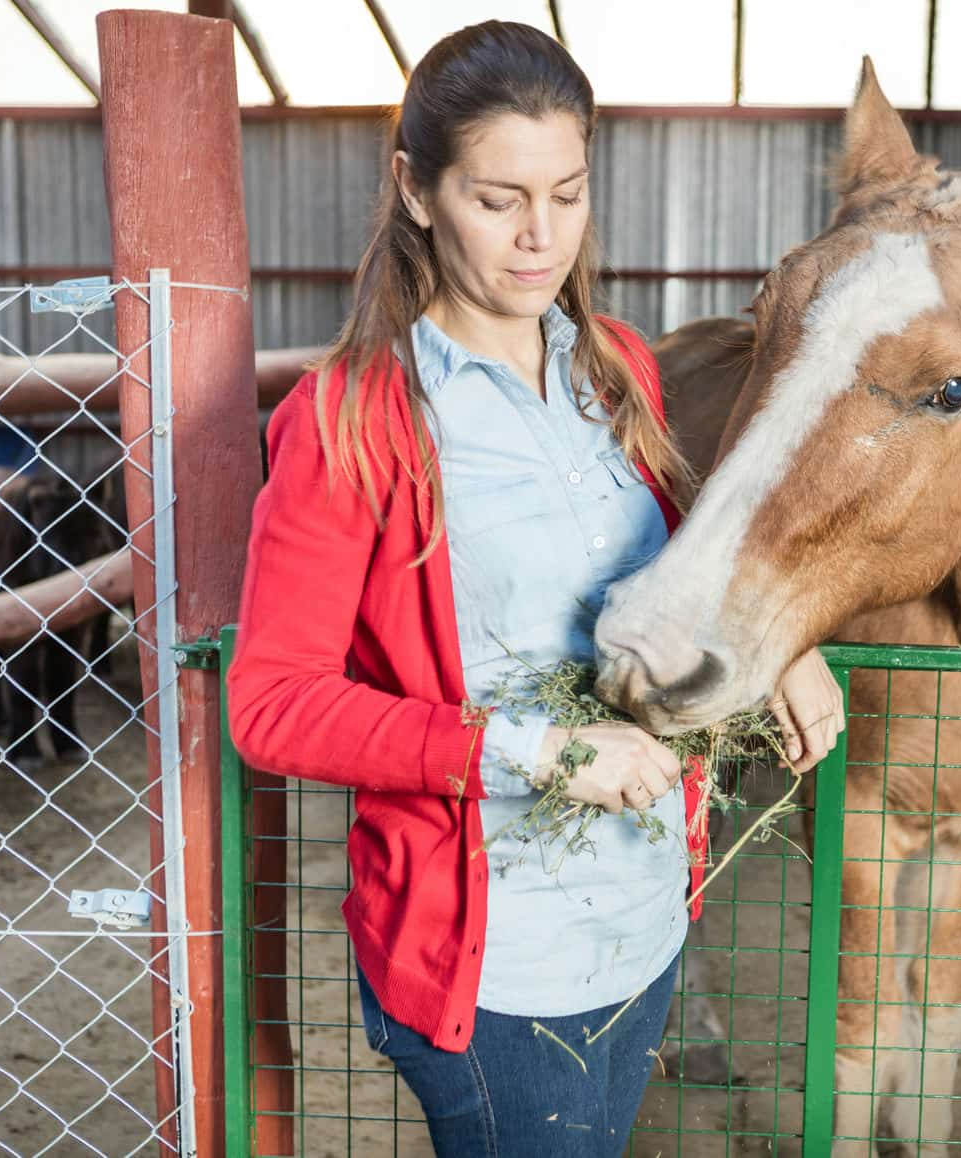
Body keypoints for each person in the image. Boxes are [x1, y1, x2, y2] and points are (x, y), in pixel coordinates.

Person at [225, 21, 843, 1156]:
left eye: (567, 193)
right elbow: (271, 706)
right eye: (497, 198)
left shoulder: (615, 364)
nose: (538, 238)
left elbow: (673, 570)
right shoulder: (353, 421)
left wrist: (780, 641)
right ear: (415, 190)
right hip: (499, 965)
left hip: (649, 914)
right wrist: (538, 752)